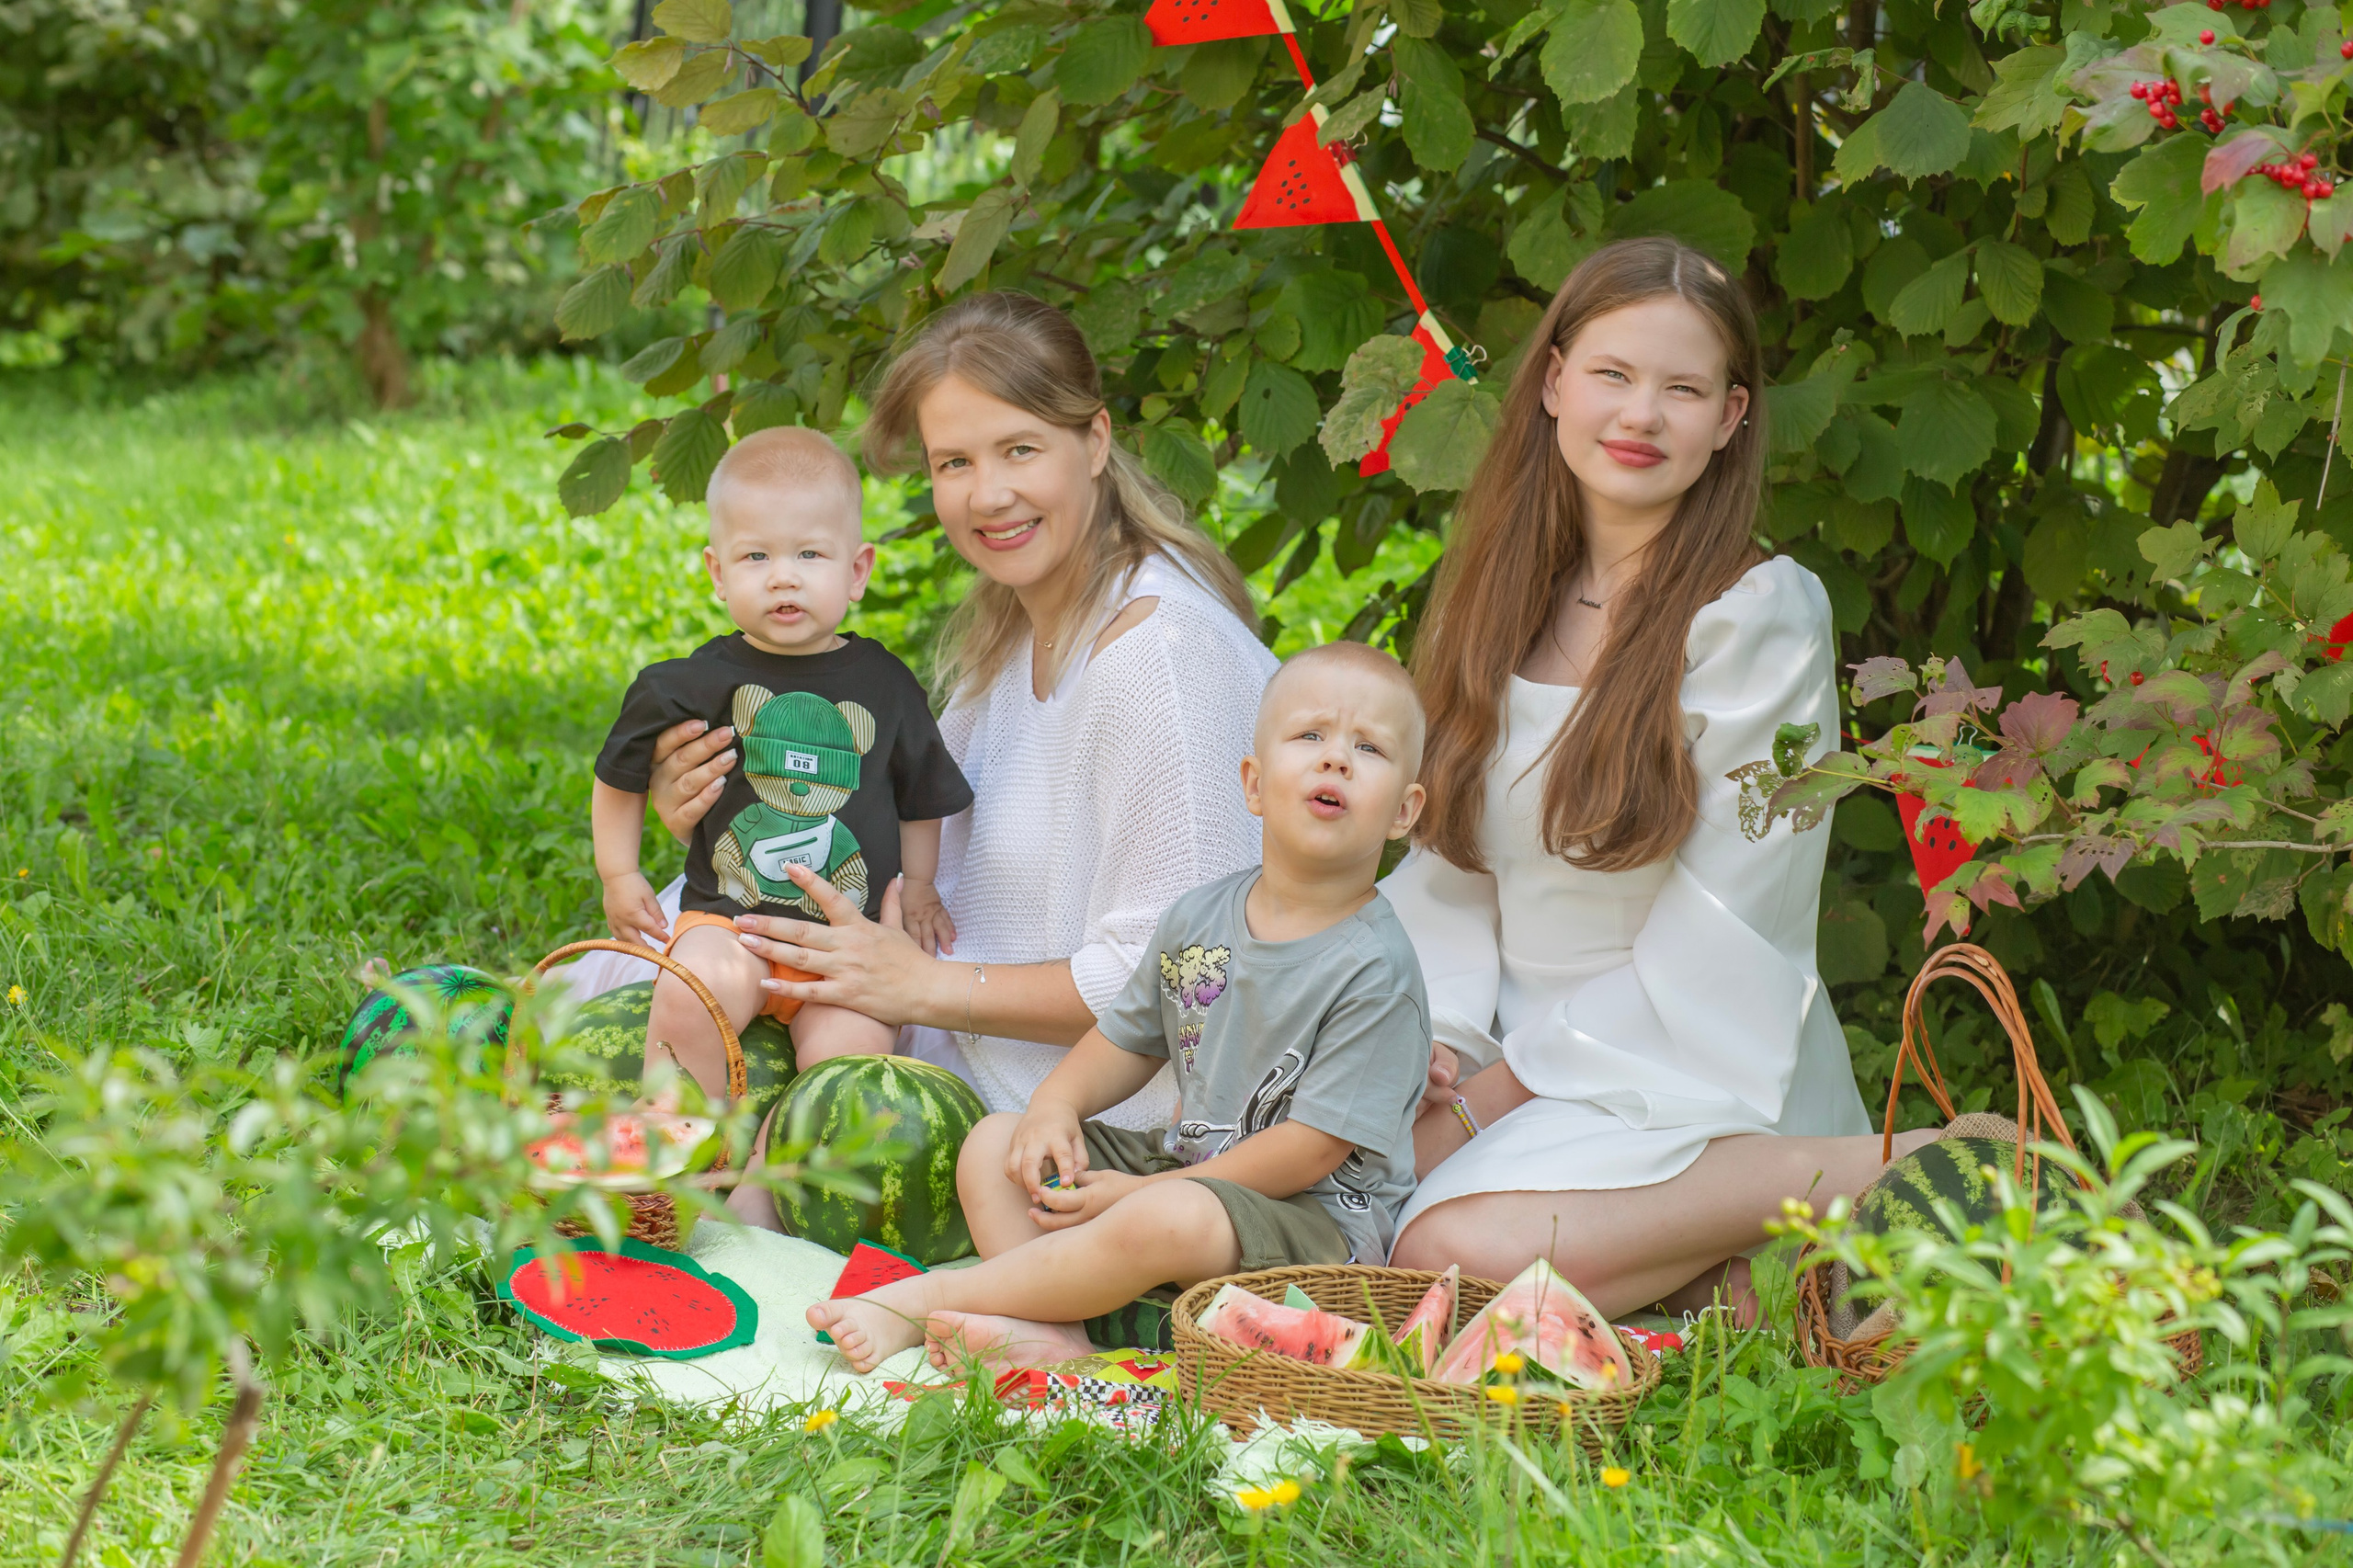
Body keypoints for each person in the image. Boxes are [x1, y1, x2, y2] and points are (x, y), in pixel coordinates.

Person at [1382, 236, 1937, 1322]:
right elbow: (1450, 872)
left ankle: (1892, 1164)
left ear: (1731, 418)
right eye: (1612, 375)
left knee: (1443, 1251)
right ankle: (1748, 1283)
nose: (1640, 415)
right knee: (1340, 1184)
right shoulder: (1496, 596)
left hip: (1692, 1063)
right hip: (1525, 1066)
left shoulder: (1759, 612)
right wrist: (1438, 1056)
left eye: (1682, 388)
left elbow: (1731, 920)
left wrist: (1496, 1098)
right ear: (1552, 383)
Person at [569, 292, 1279, 1131]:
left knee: (683, 1061)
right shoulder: (1015, 630)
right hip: (908, 1000)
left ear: (1094, 441)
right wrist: (704, 804)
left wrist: (918, 987)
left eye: (1020, 449)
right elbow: (887, 817)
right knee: (585, 1008)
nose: (988, 496)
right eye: (954, 463)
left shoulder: (1162, 661)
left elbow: (1186, 980)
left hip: (1076, 1113)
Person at [808, 642, 1431, 1373]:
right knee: (995, 1148)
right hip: (1186, 1173)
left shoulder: (1375, 968)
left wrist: (1147, 1192)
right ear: (1254, 784)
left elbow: (1310, 1150)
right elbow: (1130, 1040)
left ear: (1404, 811)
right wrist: (1054, 1106)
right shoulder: (1201, 917)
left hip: (1313, 1225)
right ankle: (1055, 1332)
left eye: (1369, 747)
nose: (1336, 760)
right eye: (1310, 737)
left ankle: (933, 1297)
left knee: (1166, 1215)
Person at [590, 426, 973, 1094]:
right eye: (756, 556)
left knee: (850, 1066)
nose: (784, 575)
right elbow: (618, 773)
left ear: (858, 571)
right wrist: (619, 873)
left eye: (810, 554)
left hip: (844, 947)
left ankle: (779, 1175)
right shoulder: (688, 684)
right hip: (728, 924)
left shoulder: (886, 687)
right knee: (691, 997)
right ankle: (678, 1144)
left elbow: (922, 796)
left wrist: (918, 887)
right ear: (718, 571)